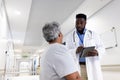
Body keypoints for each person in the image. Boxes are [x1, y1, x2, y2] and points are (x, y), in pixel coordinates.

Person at [65, 13, 105, 80]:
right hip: (79, 67)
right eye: (77, 23)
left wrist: (97, 52)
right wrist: (75, 50)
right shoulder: (70, 37)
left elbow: (102, 48)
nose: (79, 25)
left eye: (81, 23)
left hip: (92, 65)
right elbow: (66, 52)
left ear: (85, 23)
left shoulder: (93, 34)